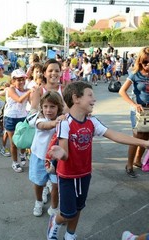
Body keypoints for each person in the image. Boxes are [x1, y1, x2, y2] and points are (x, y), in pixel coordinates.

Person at [46, 81, 149, 240]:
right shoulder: (65, 123)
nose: (94, 99)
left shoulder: (92, 121)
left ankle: (70, 235)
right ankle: (55, 222)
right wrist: (61, 154)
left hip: (85, 174)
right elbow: (65, 155)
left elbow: (114, 135)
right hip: (67, 177)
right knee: (67, 213)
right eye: (90, 95)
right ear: (76, 98)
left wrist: (144, 143)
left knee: (79, 208)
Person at [29, 91, 64, 217]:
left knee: (56, 186)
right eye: (45, 106)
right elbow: (44, 126)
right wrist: (55, 122)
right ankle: (38, 201)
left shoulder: (62, 119)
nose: (48, 110)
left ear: (59, 107)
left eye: (52, 107)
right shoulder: (39, 119)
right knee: (39, 183)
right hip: (39, 157)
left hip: (56, 161)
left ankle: (54, 208)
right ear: (41, 107)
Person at [119, 47, 149, 178]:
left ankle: (138, 160)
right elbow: (122, 91)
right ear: (140, 61)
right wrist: (134, 104)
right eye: (145, 62)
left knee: (146, 137)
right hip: (138, 110)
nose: (147, 65)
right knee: (137, 137)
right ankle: (129, 164)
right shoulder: (135, 73)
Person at [4, 69, 33, 172]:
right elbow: (19, 100)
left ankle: (22, 154)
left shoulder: (26, 90)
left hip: (22, 117)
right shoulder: (10, 89)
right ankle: (15, 162)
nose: (21, 82)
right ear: (13, 80)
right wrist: (30, 91)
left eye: (23, 79)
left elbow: (32, 103)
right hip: (10, 118)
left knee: (23, 140)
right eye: (18, 79)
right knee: (14, 142)